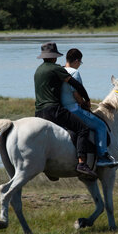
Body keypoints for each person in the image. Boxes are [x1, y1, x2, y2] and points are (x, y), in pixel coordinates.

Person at [33, 42, 97, 178]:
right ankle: (81, 163)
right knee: (83, 129)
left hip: (38, 113)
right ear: (55, 57)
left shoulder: (38, 70)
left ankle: (52, 167)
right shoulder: (56, 68)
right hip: (54, 110)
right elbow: (76, 85)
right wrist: (87, 100)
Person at [61, 48, 118, 167]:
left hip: (61, 110)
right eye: (80, 63)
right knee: (101, 125)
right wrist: (84, 104)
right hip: (73, 109)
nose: (79, 66)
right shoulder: (74, 73)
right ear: (77, 61)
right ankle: (102, 156)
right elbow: (76, 93)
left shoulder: (59, 71)